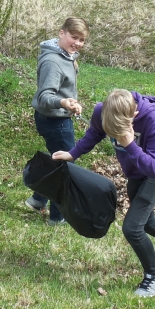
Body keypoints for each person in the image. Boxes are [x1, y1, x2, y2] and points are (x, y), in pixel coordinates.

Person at [53, 89, 155, 298]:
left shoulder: (151, 119)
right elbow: (93, 134)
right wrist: (72, 154)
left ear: (134, 115)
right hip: (136, 171)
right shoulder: (102, 110)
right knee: (144, 220)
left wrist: (129, 144)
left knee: (132, 227)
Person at [25, 17, 89, 226]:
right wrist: (63, 102)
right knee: (65, 166)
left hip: (57, 118)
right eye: (74, 37)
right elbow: (45, 97)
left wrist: (68, 102)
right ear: (61, 33)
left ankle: (37, 200)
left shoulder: (66, 55)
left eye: (82, 40)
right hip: (54, 121)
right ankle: (57, 217)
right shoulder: (53, 62)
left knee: (57, 162)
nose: (77, 43)